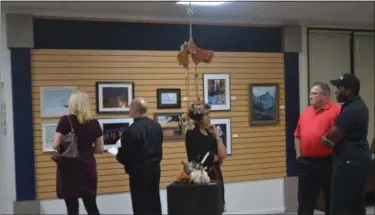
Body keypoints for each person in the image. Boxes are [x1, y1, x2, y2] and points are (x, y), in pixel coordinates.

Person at [323, 73, 372, 215]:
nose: (336, 91)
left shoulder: (352, 110)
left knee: (340, 207)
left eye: (339, 87)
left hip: (348, 163)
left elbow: (332, 137)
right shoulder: (357, 106)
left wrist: (326, 138)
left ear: (349, 90)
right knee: (356, 206)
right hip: (357, 161)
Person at [52, 91, 104, 215]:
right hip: (87, 166)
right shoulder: (94, 123)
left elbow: (55, 145)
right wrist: (85, 149)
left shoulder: (65, 121)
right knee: (91, 206)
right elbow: (100, 149)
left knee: (72, 209)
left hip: (69, 167)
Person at [294, 82, 341, 215]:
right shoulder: (306, 111)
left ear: (325, 95)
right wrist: (299, 156)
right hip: (307, 162)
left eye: (314, 93)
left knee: (331, 198)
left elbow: (342, 135)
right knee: (304, 201)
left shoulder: (337, 110)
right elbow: (297, 135)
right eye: (310, 93)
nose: (310, 96)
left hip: (328, 161)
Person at [116, 98, 163, 215]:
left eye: (130, 107)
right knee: (154, 202)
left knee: (140, 205)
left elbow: (125, 157)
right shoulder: (157, 126)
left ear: (134, 110)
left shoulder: (130, 131)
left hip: (138, 172)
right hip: (155, 169)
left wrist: (117, 153)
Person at [184, 101, 227, 212]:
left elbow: (222, 154)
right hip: (201, 177)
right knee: (205, 208)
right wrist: (214, 156)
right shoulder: (192, 134)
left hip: (215, 174)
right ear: (199, 117)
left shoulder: (210, 132)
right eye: (206, 115)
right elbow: (202, 157)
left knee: (216, 207)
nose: (209, 117)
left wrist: (217, 136)